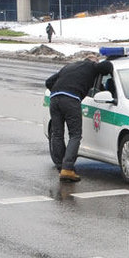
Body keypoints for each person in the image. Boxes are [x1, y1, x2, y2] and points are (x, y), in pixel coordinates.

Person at [45, 54, 113, 182]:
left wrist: (60, 90)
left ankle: (61, 168)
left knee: (57, 134)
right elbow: (107, 67)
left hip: (54, 99)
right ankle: (67, 168)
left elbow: (48, 82)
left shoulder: (69, 66)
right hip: (71, 99)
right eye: (96, 61)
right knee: (75, 135)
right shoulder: (92, 66)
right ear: (93, 61)